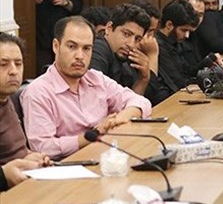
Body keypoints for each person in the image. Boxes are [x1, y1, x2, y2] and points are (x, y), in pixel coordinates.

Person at [21, 16, 152, 159]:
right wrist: (93, 135)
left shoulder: (96, 78)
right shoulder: (37, 92)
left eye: (86, 49)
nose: (80, 56)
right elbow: (43, 147)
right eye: (72, 47)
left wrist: (117, 120)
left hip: (103, 155)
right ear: (56, 46)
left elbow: (141, 102)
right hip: (68, 165)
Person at [89, 3, 170, 105]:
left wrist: (143, 79)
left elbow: (132, 103)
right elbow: (96, 103)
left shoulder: (125, 56)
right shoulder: (98, 49)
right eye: (126, 34)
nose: (131, 44)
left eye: (137, 39)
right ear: (109, 28)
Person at [0, 33, 50, 191]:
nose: (13, 71)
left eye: (18, 63)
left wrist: (29, 156)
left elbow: (13, 151)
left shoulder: (7, 98)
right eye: (3, 64)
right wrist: (3, 175)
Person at [155, 0, 201, 92]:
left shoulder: (174, 42)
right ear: (169, 25)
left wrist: (208, 61)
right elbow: (177, 81)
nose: (187, 36)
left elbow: (187, 71)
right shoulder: (158, 46)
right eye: (184, 30)